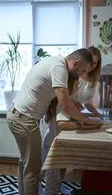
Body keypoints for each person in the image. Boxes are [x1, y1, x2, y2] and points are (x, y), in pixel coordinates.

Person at [7, 48, 102, 195]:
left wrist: (73, 103)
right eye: (82, 70)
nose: (82, 75)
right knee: (33, 170)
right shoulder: (59, 68)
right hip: (24, 119)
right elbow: (64, 104)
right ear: (75, 63)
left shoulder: (55, 62)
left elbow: (62, 99)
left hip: (19, 116)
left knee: (25, 163)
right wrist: (87, 121)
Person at [41, 46, 103, 195]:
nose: (91, 67)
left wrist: (96, 114)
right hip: (63, 114)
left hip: (70, 115)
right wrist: (83, 119)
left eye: (95, 64)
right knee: (53, 154)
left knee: (59, 158)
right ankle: (47, 184)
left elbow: (86, 102)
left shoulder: (92, 80)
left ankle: (52, 184)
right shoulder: (72, 75)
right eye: (91, 63)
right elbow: (62, 98)